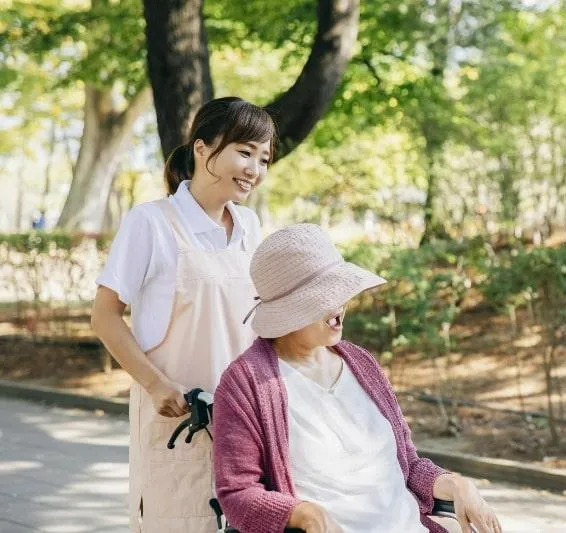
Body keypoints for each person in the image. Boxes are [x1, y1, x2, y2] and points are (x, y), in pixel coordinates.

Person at [213, 224, 503, 533]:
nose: (340, 305)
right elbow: (237, 493)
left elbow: (407, 464)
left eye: (340, 292)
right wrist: (305, 514)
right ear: (290, 307)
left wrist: (457, 486)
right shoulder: (245, 383)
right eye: (325, 295)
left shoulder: (361, 363)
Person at [90, 96, 276, 533]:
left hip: (246, 421)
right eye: (245, 151)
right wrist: (157, 386)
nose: (255, 168)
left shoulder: (248, 226)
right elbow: (104, 316)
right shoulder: (151, 222)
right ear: (202, 147)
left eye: (264, 158)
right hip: (178, 419)